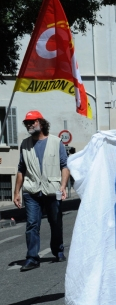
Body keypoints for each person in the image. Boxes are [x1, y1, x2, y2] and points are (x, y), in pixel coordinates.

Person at [13, 111, 69, 271]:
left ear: (41, 123)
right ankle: (32, 258)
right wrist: (16, 192)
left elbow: (64, 166)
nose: (29, 125)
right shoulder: (25, 144)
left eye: (33, 121)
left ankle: (58, 250)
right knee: (31, 224)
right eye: (27, 123)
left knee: (56, 222)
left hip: (52, 189)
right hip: (31, 190)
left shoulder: (56, 142)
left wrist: (63, 186)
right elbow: (20, 170)